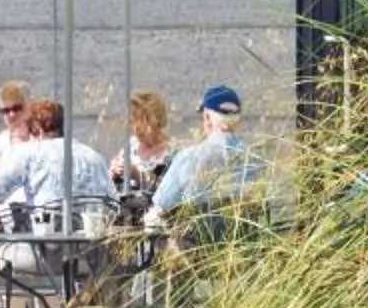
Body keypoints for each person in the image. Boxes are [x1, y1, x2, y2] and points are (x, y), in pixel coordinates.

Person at [0, 99, 115, 229]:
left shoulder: (30, 153)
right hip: (89, 243)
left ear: (38, 130)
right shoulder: (94, 157)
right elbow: (113, 202)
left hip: (43, 241)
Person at [151, 86, 264, 220]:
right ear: (237, 119)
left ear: (208, 117)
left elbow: (162, 207)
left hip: (196, 232)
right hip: (245, 232)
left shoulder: (189, 157)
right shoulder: (255, 160)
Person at [112, 90, 178, 197]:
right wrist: (114, 172)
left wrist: (136, 174)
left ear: (154, 121)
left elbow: (167, 193)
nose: (135, 128)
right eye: (132, 122)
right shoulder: (132, 144)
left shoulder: (171, 153)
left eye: (140, 122)